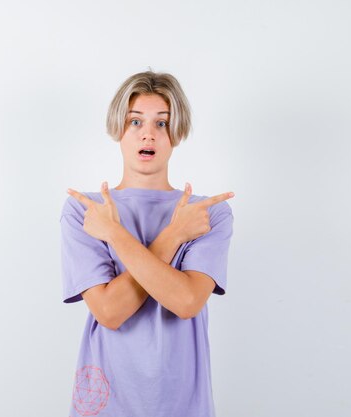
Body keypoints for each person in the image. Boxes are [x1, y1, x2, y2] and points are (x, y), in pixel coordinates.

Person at [60, 70, 235, 417]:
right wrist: (173, 236)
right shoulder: (86, 211)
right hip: (107, 404)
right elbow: (109, 312)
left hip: (183, 404)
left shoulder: (206, 214)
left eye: (162, 123)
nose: (148, 135)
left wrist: (114, 234)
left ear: (178, 133)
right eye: (135, 122)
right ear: (118, 129)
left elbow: (185, 301)